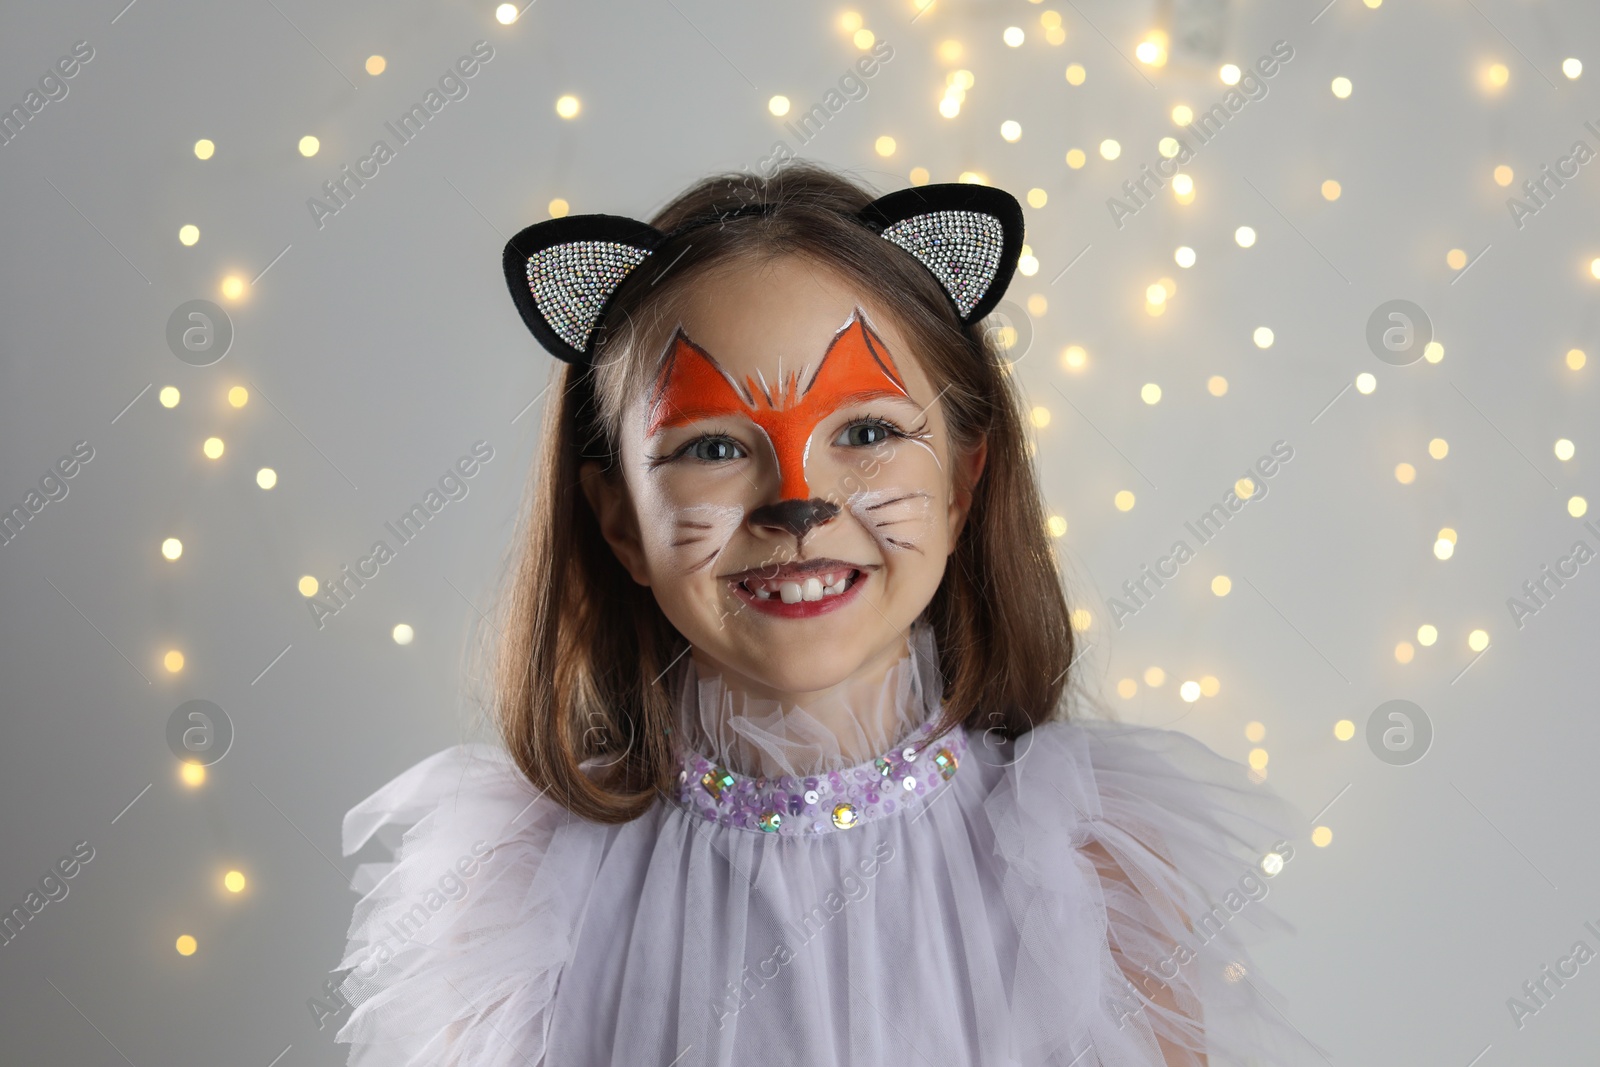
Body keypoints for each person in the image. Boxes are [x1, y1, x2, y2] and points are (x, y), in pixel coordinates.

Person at [330, 161, 1323, 1066]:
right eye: (714, 446)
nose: (796, 502)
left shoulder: (1081, 870)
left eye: (867, 430)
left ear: (962, 482)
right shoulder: (528, 893)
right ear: (620, 521)